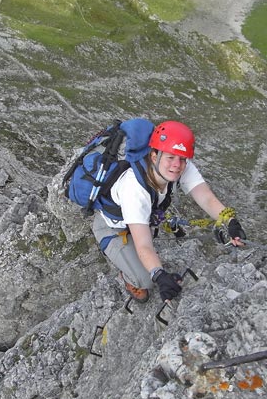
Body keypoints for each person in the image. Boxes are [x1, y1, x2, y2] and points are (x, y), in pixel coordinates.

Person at [92, 120, 246, 303]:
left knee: (147, 250)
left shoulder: (180, 165)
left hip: (142, 218)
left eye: (182, 159)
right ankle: (126, 274)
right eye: (170, 157)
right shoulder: (134, 189)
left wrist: (230, 221)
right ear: (155, 156)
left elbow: (206, 198)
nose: (177, 165)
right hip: (112, 227)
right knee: (145, 281)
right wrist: (159, 275)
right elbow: (144, 247)